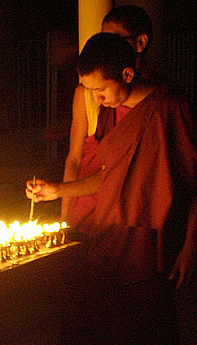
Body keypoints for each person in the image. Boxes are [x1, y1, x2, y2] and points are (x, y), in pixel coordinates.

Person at [26, 33, 197, 345]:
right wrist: (57, 190)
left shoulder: (168, 109)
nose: (98, 102)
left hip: (147, 243)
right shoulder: (115, 114)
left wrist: (188, 249)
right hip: (107, 238)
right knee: (96, 340)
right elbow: (107, 177)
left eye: (101, 91)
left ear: (127, 73)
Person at [62, 5, 155, 231]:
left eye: (116, 39)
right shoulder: (90, 94)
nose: (109, 46)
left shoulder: (158, 103)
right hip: (87, 208)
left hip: (129, 215)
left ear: (140, 43)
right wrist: (64, 219)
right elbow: (74, 159)